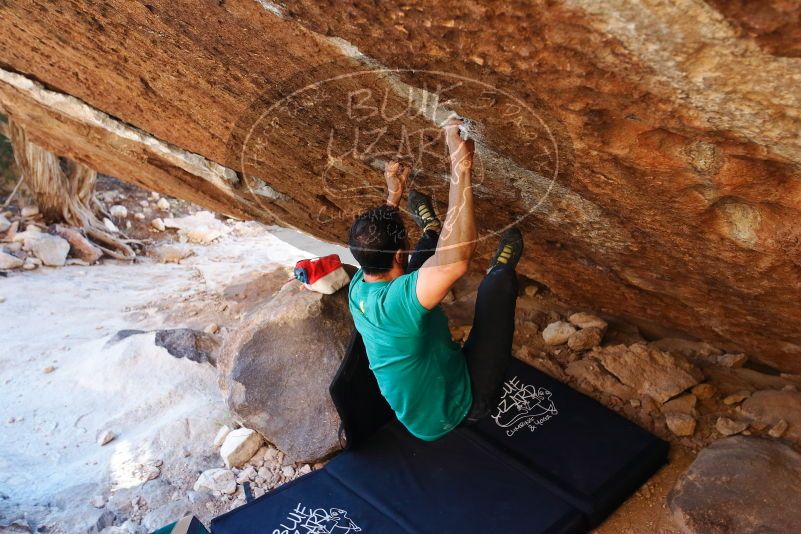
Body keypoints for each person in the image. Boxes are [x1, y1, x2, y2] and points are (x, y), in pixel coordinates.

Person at [347, 119, 523, 441]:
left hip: (428, 379)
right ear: (397, 254)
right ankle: (500, 268)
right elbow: (455, 260)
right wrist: (460, 164)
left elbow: (382, 246)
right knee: (494, 290)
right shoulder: (396, 304)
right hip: (459, 405)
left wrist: (393, 196)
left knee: (422, 262)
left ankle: (430, 228)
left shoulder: (359, 284)